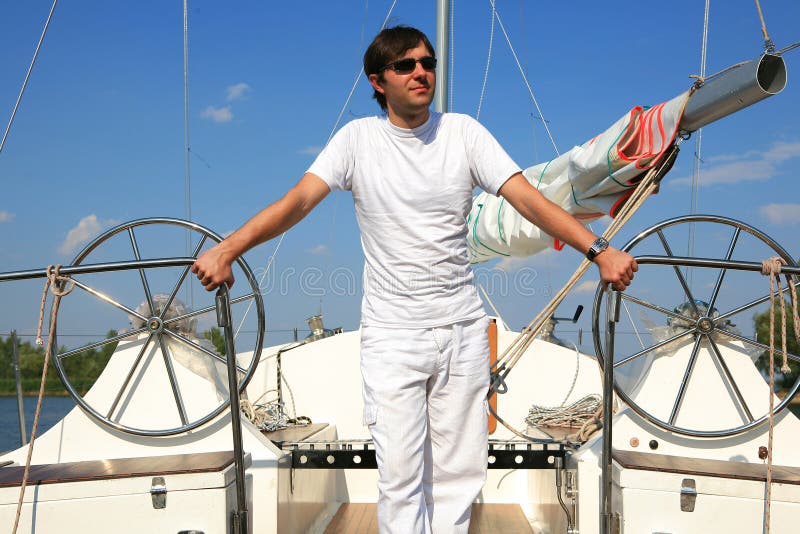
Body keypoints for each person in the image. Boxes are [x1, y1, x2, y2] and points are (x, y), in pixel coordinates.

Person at [192, 25, 637, 534]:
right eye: (405, 66)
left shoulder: (463, 133)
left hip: (462, 332)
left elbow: (527, 200)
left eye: (426, 63)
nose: (421, 72)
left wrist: (597, 249)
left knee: (460, 475)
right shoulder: (356, 141)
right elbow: (297, 202)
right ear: (378, 81)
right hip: (393, 335)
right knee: (400, 475)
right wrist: (228, 248)